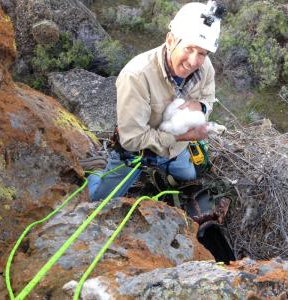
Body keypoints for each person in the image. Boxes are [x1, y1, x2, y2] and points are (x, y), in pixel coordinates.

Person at [88, 1, 225, 201]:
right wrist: (182, 137)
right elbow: (132, 139)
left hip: (175, 151)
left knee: (189, 177)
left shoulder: (205, 68)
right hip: (138, 154)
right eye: (188, 48)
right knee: (99, 199)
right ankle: (97, 175)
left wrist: (202, 106)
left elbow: (208, 97)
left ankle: (161, 170)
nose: (195, 61)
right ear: (170, 41)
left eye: (202, 53)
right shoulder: (136, 76)